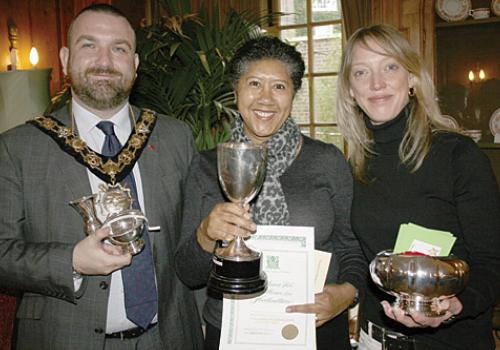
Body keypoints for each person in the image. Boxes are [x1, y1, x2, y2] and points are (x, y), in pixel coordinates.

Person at [0, 4, 203, 349]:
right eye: (89, 45)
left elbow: (192, 243)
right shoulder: (17, 148)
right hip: (63, 339)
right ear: (65, 58)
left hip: (170, 338)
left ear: (135, 65)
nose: (105, 61)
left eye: (119, 48)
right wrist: (72, 262)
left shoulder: (175, 137)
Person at [175, 36, 367, 350]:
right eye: (254, 84)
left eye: (279, 86)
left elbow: (352, 246)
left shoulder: (327, 160)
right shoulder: (207, 166)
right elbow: (188, 273)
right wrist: (206, 234)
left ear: (293, 94)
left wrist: (345, 293)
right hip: (232, 332)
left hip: (315, 329)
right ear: (235, 91)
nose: (265, 99)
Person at [336, 24, 500, 350]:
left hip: (451, 342)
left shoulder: (456, 155)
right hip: (374, 341)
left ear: (411, 78)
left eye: (390, 67)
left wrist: (453, 305)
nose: (377, 83)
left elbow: (492, 262)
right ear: (350, 90)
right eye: (361, 72)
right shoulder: (351, 165)